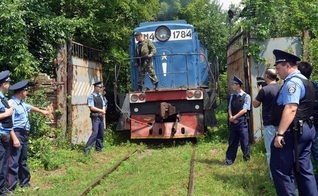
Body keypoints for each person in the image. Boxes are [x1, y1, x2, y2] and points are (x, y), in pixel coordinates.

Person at [270, 50, 318, 196]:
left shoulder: (293, 83)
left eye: (278, 68)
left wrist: (280, 134)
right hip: (307, 128)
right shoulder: (306, 81)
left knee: (280, 170)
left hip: (293, 132)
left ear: (288, 66)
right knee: (303, 170)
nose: (277, 72)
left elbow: (291, 108)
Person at [6, 80, 49, 193]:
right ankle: (10, 188)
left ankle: (25, 182)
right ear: (21, 91)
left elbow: (31, 107)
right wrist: (14, 138)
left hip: (23, 134)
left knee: (23, 160)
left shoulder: (22, 103)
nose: (27, 92)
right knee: (13, 162)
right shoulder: (12, 104)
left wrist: (42, 112)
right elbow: (9, 124)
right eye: (26, 90)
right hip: (16, 134)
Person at [252, 68, 280, 179]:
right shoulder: (281, 88)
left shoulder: (265, 90)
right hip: (282, 124)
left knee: (270, 152)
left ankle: (273, 177)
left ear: (266, 77)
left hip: (270, 124)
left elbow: (255, 104)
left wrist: (259, 91)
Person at [0, 70, 20, 196]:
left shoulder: (2, 98)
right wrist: (7, 113)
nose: (9, 84)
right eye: (8, 82)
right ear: (3, 84)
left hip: (5, 136)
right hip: (0, 135)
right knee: (1, 165)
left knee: (3, 165)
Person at [224, 75, 251, 165]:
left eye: (233, 84)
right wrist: (231, 117)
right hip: (233, 122)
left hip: (241, 122)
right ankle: (229, 160)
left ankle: (246, 158)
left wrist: (234, 117)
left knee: (244, 141)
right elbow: (229, 108)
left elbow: (244, 110)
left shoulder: (246, 97)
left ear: (238, 85)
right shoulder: (232, 96)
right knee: (232, 142)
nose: (232, 86)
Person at [297, 61, 318, 168]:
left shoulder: (300, 86)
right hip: (314, 121)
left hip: (307, 123)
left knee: (306, 152)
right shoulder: (314, 84)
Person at [84, 81, 106, 154]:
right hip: (95, 117)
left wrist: (103, 110)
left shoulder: (100, 96)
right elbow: (92, 107)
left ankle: (99, 149)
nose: (100, 88)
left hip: (100, 117)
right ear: (95, 87)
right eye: (99, 87)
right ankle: (87, 148)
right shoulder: (91, 96)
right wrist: (101, 111)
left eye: (101, 87)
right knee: (95, 133)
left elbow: (103, 104)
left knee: (101, 133)